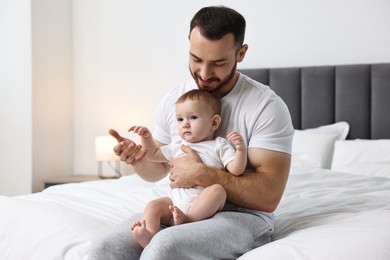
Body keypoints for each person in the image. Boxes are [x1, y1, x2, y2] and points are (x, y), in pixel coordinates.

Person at [89, 5, 294, 260]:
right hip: (179, 208)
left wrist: (204, 174)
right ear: (188, 42)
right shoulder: (174, 101)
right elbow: (159, 170)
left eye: (218, 63)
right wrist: (140, 160)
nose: (205, 74)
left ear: (241, 53)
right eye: (196, 59)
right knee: (102, 251)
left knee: (164, 247)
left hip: (241, 216)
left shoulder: (266, 106)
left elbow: (269, 197)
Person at [129, 89, 247, 248]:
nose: (185, 124)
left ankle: (189, 219)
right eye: (179, 119)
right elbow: (153, 154)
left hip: (201, 205)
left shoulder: (219, 145)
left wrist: (241, 150)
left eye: (193, 117)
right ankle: (149, 234)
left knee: (218, 191)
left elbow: (236, 169)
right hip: (173, 204)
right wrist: (146, 137)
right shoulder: (178, 146)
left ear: (214, 123)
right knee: (153, 205)